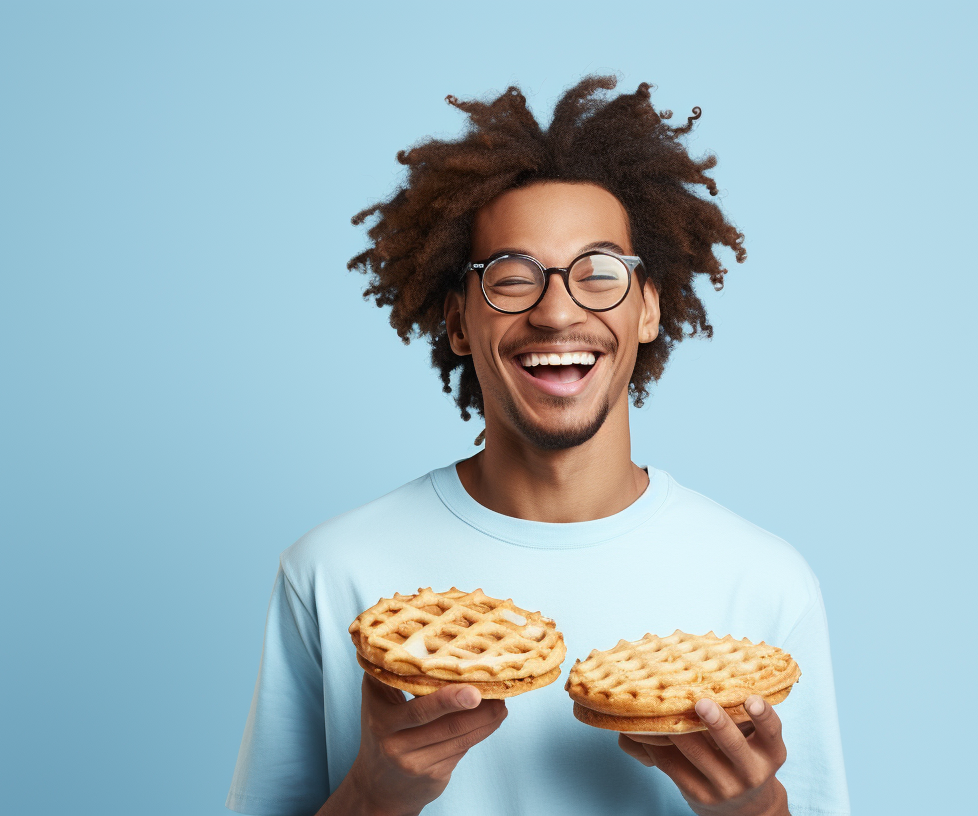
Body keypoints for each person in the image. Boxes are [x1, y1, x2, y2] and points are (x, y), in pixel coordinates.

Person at [225, 77, 849, 816]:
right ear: (458, 320)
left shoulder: (763, 582)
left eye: (599, 274)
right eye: (512, 279)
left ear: (648, 307)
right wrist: (372, 797)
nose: (557, 311)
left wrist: (755, 812)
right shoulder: (332, 574)